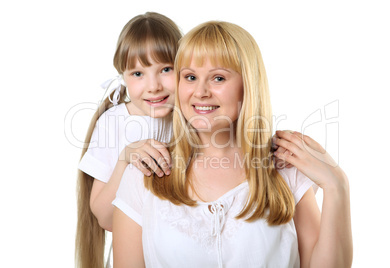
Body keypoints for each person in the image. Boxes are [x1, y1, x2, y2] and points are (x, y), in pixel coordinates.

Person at [112, 20, 353, 268]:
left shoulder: (287, 170)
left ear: (247, 85)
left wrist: (337, 187)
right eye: (190, 77)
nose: (201, 91)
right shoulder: (143, 175)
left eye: (218, 78)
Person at [75, 12, 182, 268]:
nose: (153, 85)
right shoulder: (114, 123)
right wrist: (125, 159)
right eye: (138, 73)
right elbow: (105, 218)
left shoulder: (192, 117)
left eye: (166, 69)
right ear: (122, 75)